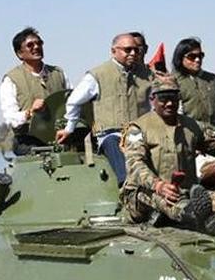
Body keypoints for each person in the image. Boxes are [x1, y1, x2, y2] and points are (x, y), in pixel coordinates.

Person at [120, 76, 215, 235]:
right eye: (163, 98)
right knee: (170, 202)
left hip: (187, 191)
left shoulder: (191, 126)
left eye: (174, 98)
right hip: (144, 195)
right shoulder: (138, 128)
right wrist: (158, 185)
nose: (170, 103)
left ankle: (202, 214)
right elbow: (135, 164)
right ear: (152, 99)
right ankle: (198, 220)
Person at [58, 32, 154, 184]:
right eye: (127, 50)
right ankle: (128, 186)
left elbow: (160, 103)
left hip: (142, 134)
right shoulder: (97, 75)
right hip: (111, 134)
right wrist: (70, 128)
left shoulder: (148, 75)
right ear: (114, 51)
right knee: (113, 146)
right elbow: (73, 101)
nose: (133, 54)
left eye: (136, 50)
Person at [0, 27, 67, 154]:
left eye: (39, 43)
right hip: (29, 141)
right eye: (30, 45)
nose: (36, 47)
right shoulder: (11, 79)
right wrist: (30, 112)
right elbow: (10, 118)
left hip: (61, 136)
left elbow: (73, 101)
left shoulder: (58, 73)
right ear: (20, 53)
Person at [171, 37, 215, 130]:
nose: (197, 60)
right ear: (180, 57)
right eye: (192, 57)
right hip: (189, 132)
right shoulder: (173, 80)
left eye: (200, 56)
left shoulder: (211, 79)